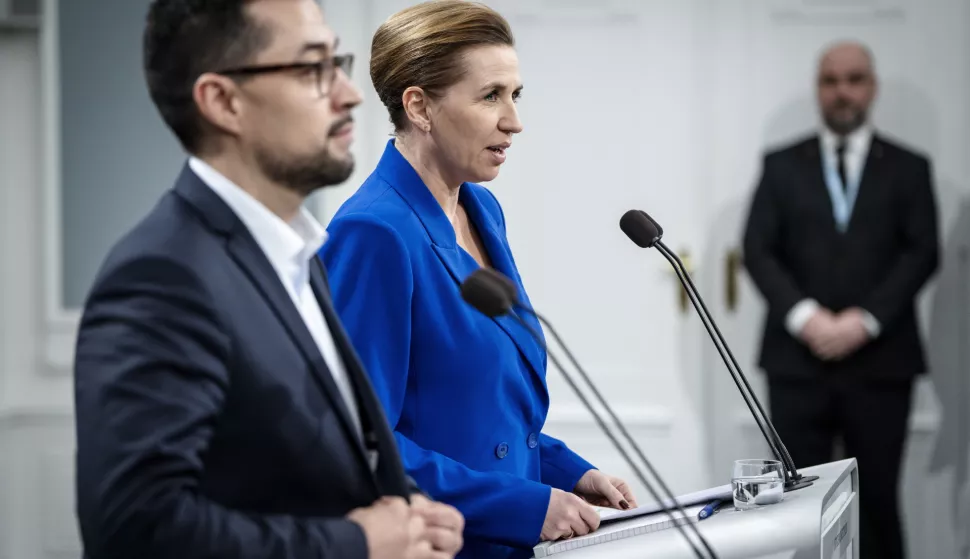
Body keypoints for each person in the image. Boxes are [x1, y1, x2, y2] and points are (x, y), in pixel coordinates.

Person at [72, 1, 464, 558]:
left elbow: (319, 463)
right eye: (311, 69)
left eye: (337, 63)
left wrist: (410, 511)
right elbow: (136, 531)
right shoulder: (161, 278)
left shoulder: (297, 256)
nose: (350, 94)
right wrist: (357, 544)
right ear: (223, 101)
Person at [320, 2, 637, 558]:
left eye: (516, 95)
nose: (514, 121)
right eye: (491, 96)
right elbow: (361, 445)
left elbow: (479, 417)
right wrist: (523, 506)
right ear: (419, 106)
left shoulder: (482, 210)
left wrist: (569, 472)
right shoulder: (374, 232)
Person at [742, 41, 939, 559]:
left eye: (854, 79)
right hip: (796, 364)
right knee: (797, 509)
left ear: (872, 87)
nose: (842, 92)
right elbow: (758, 250)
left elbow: (922, 252)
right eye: (830, 81)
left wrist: (865, 321)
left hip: (882, 363)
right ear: (818, 89)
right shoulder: (781, 165)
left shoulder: (910, 167)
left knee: (876, 502)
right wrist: (806, 317)